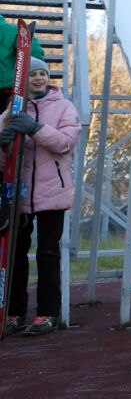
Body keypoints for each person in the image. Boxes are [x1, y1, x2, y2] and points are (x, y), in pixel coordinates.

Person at [0, 57, 81, 336]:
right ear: (24, 79)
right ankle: (14, 313)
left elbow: (65, 142)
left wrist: (34, 128)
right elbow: (3, 163)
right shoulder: (14, 108)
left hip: (51, 193)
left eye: (42, 74)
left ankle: (47, 314)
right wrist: (3, 141)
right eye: (32, 74)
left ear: (48, 78)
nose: (38, 78)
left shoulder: (64, 106)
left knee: (47, 254)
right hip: (19, 195)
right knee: (15, 256)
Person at [0, 19, 44, 111]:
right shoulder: (15, 31)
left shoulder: (13, 31)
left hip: (11, 91)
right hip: (12, 91)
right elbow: (34, 55)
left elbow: (33, 55)